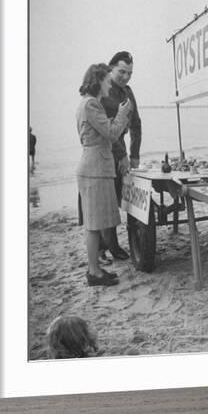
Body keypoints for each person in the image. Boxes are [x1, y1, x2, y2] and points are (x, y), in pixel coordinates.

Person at [76, 63, 132, 286]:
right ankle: (94, 272)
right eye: (107, 80)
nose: (110, 84)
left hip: (94, 167)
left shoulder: (89, 104)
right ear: (98, 80)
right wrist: (122, 113)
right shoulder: (91, 104)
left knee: (94, 223)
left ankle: (95, 269)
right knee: (93, 224)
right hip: (95, 169)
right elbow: (111, 133)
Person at [99, 51, 142, 261]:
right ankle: (107, 247)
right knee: (104, 202)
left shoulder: (128, 91)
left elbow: (136, 124)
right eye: (122, 72)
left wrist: (134, 154)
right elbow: (108, 131)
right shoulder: (103, 91)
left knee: (117, 198)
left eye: (130, 73)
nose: (125, 77)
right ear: (111, 68)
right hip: (104, 151)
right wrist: (122, 156)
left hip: (122, 149)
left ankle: (112, 246)